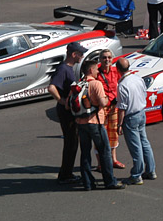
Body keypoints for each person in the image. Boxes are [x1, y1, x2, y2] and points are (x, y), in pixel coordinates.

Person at [74, 59, 124, 190]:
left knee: (85, 152)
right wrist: (107, 99)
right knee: (105, 151)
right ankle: (110, 181)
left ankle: (88, 182)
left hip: (81, 122)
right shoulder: (96, 84)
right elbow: (103, 102)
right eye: (96, 69)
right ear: (91, 70)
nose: (97, 71)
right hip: (95, 122)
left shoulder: (78, 84)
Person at [48, 42, 84, 185]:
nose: (82, 56)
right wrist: (62, 101)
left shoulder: (68, 68)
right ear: (74, 54)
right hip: (66, 112)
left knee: (72, 142)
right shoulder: (64, 69)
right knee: (71, 142)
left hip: (68, 111)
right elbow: (51, 87)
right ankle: (65, 174)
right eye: (80, 54)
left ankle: (66, 173)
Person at [115, 58, 156, 185]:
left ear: (118, 70)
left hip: (130, 117)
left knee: (135, 147)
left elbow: (122, 108)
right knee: (144, 143)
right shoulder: (138, 78)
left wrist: (119, 124)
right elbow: (144, 93)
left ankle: (136, 175)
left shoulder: (122, 85)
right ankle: (150, 170)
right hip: (141, 113)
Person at [96, 50, 124, 171]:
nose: (107, 60)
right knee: (100, 136)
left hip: (113, 108)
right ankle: (100, 163)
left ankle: (113, 160)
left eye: (109, 57)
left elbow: (122, 84)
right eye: (104, 58)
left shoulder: (115, 71)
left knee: (113, 134)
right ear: (100, 59)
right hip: (101, 108)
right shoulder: (96, 73)